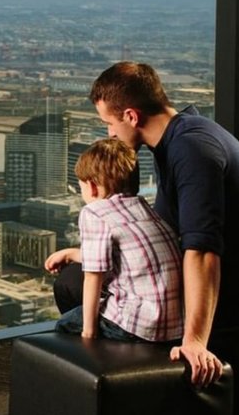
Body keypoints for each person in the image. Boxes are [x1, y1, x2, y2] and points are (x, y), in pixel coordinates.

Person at [55, 61, 239, 386]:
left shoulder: (190, 150)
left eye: (109, 123)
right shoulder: (182, 133)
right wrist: (84, 253)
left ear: (132, 116)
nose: (109, 133)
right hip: (224, 285)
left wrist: (194, 341)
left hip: (233, 300)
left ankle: (127, 384)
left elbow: (203, 251)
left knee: (71, 286)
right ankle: (119, 384)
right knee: (78, 275)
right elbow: (159, 237)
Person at [45, 138, 183, 343]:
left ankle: (96, 360)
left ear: (91, 187)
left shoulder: (95, 212)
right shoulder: (143, 208)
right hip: (176, 325)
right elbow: (125, 257)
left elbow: (93, 276)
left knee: (66, 324)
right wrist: (71, 254)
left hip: (139, 326)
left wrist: (88, 333)